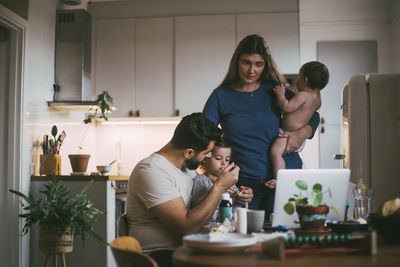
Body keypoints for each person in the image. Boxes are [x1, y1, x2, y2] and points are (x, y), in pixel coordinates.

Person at [202, 34, 320, 219]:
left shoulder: (274, 89)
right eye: (246, 62)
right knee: (247, 239)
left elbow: (312, 113)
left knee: (287, 238)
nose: (251, 70)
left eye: (258, 64)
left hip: (285, 177)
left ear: (265, 65)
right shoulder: (221, 96)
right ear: (236, 62)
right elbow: (203, 131)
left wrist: (304, 132)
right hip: (244, 186)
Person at [126, 112, 240, 267]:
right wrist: (219, 187)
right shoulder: (152, 171)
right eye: (206, 153)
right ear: (189, 153)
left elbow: (202, 206)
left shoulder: (187, 169)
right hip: (158, 257)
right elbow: (188, 227)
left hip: (184, 249)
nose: (206, 158)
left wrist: (232, 193)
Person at [270, 61, 329, 180]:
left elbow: (287, 107)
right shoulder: (317, 99)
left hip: (287, 134)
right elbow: (312, 112)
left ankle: (278, 178)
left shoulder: (302, 96)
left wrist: (280, 95)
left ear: (305, 80)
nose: (297, 80)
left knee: (275, 153)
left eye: (299, 76)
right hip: (298, 138)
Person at [190, 139, 253, 223]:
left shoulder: (230, 181)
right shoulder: (200, 181)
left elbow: (235, 207)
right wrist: (219, 191)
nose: (224, 163)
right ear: (205, 158)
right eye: (218, 158)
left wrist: (243, 196)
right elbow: (197, 208)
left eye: (227, 159)